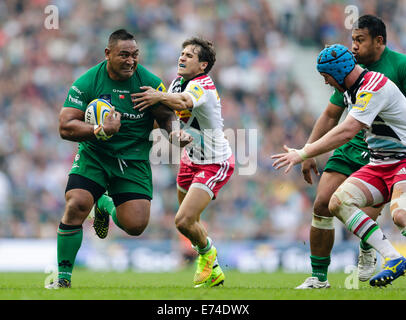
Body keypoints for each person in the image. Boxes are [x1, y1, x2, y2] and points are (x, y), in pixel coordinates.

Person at [46, 29, 191, 289]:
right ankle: (63, 280)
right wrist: (98, 130)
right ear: (108, 54)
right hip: (96, 155)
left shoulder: (148, 82)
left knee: (135, 226)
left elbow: (166, 117)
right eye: (124, 55)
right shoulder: (88, 82)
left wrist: (175, 133)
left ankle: (104, 205)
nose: (130, 61)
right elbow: (65, 126)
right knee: (77, 204)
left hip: (133, 161)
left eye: (134, 55)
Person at [272, 43, 406, 288]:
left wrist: (303, 152)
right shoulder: (349, 90)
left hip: (403, 161)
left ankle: (372, 248)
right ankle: (394, 258)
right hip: (379, 163)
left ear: (337, 72)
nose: (325, 83)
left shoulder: (373, 85)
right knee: (336, 202)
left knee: (400, 216)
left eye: (326, 77)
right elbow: (331, 117)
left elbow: (347, 131)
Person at [133, 37, 234, 288]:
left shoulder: (203, 85)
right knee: (187, 223)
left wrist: (158, 95)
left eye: (190, 55)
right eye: (182, 53)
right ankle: (213, 269)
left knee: (183, 220)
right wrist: (175, 132)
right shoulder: (178, 81)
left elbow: (182, 103)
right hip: (190, 159)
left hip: (214, 162)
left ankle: (208, 255)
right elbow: (173, 113)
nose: (182, 57)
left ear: (203, 65)